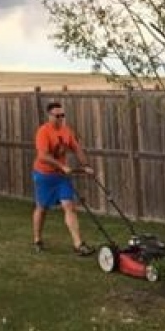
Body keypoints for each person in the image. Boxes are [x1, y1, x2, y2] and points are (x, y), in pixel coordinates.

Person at [32, 100, 95, 255]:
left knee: (69, 206)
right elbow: (43, 156)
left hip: (61, 177)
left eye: (62, 115)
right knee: (42, 208)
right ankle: (37, 239)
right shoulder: (43, 132)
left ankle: (78, 244)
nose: (60, 118)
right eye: (57, 115)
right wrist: (62, 166)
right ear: (50, 116)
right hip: (44, 175)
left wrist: (86, 165)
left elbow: (77, 148)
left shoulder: (67, 131)